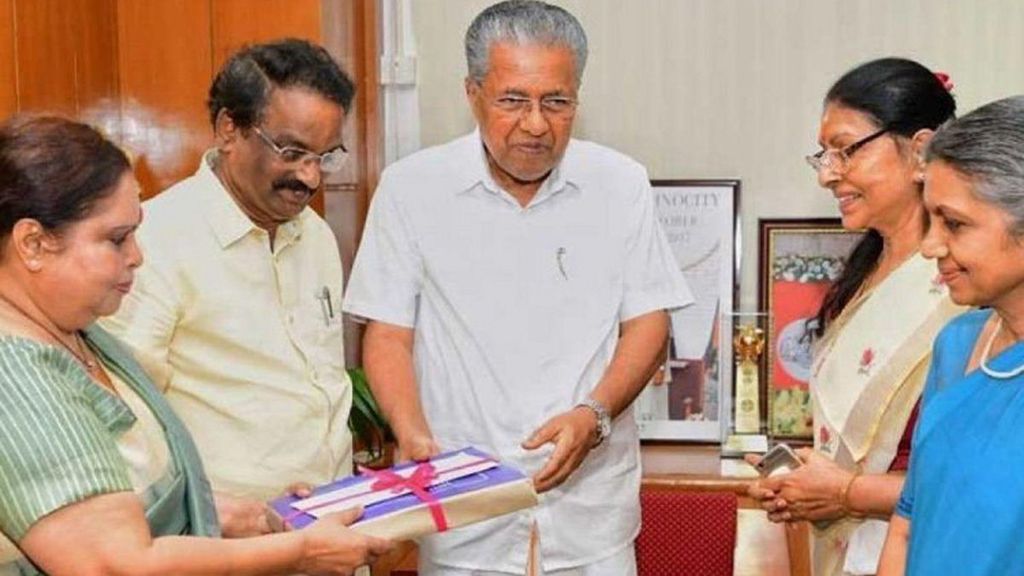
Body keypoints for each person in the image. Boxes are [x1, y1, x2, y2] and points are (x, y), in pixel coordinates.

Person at [343, 2, 692, 574]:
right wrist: (411, 434)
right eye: (513, 100)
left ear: (577, 96)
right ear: (473, 92)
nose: (536, 124)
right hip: (464, 508)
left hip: (590, 512)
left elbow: (650, 323)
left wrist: (594, 414)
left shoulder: (620, 183)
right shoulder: (411, 189)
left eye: (556, 102)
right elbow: (386, 335)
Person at [0, 116, 391, 576]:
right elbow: (114, 566)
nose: (137, 256)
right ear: (33, 243)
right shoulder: (17, 370)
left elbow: (126, 498)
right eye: (116, 239)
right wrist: (302, 551)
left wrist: (218, 514)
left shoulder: (74, 331)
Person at [102, 38, 357, 528]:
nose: (310, 177)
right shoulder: (151, 243)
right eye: (292, 151)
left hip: (328, 526)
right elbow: (120, 415)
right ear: (229, 129)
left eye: (325, 156)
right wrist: (207, 512)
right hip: (225, 538)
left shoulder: (317, 236)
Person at [747, 58, 963, 576]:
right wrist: (803, 482)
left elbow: (973, 474)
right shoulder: (861, 275)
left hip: (921, 550)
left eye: (845, 151)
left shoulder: (967, 286)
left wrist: (845, 492)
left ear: (920, 151)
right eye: (822, 154)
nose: (827, 174)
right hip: (846, 551)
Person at [875, 95, 1024, 576]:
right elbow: (908, 520)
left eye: (954, 223)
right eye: (930, 218)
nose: (929, 245)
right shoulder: (957, 345)